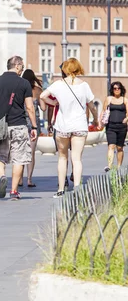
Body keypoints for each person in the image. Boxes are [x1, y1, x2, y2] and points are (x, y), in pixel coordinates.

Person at [40, 58, 98, 198]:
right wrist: (96, 120)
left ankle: (61, 189)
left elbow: (42, 96)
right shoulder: (84, 85)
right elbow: (91, 106)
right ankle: (77, 188)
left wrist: (53, 102)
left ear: (65, 69)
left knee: (62, 157)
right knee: (76, 159)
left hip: (62, 126)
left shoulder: (58, 84)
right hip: (79, 126)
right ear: (78, 69)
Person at [0, 56, 38, 200]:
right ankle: (14, 191)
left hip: (0, 126)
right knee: (19, 159)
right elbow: (30, 107)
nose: (22, 70)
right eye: (22, 67)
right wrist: (34, 126)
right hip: (19, 125)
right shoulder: (24, 83)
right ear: (18, 66)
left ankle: (2, 176)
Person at [21, 69, 43, 188]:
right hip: (34, 124)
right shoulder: (38, 91)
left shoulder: (20, 89)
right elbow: (43, 108)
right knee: (31, 153)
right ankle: (29, 179)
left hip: (22, 122)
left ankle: (19, 179)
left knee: (21, 151)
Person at [100, 81, 128, 171]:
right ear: (112, 90)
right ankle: (110, 165)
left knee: (119, 147)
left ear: (121, 89)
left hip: (122, 126)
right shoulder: (109, 99)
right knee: (111, 146)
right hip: (111, 126)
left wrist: (126, 119)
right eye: (114, 88)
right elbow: (103, 111)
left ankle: (119, 167)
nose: (116, 90)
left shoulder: (125, 100)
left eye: (118, 88)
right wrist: (100, 122)